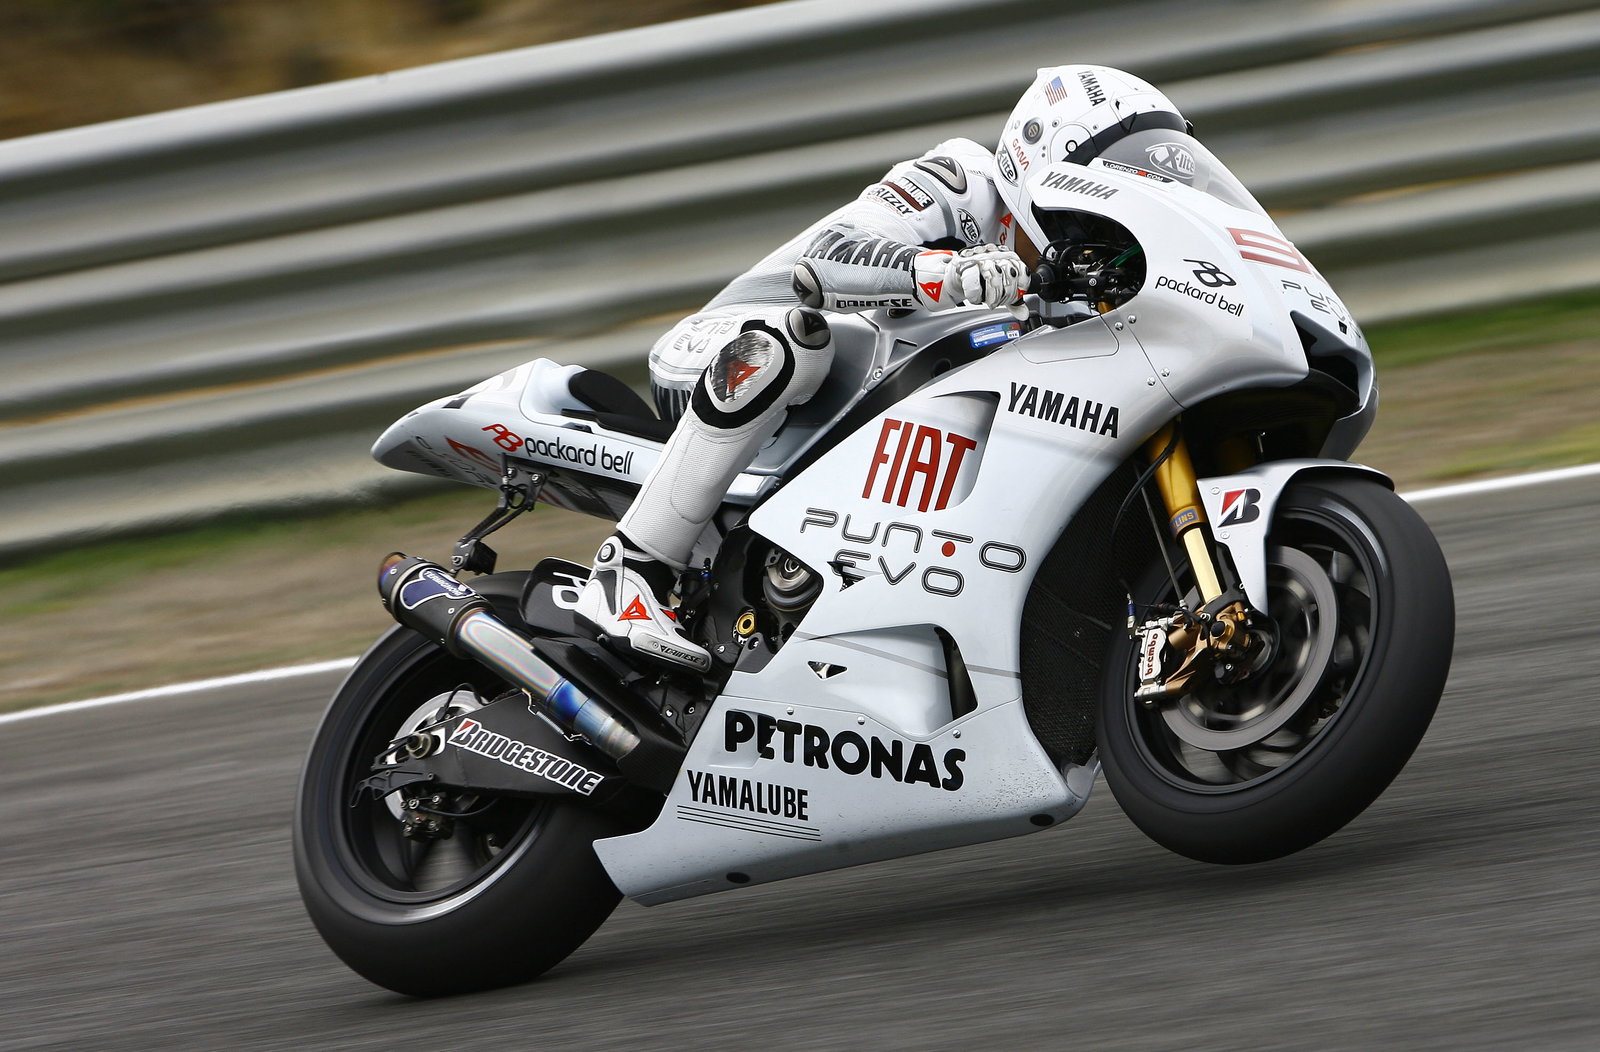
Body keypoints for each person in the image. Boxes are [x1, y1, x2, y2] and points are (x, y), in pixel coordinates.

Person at [574, 64, 1189, 671]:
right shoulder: (961, 180)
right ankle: (632, 568)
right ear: (1044, 162)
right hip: (730, 348)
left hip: (846, 414)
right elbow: (826, 259)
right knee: (799, 339)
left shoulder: (1091, 279)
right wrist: (944, 272)